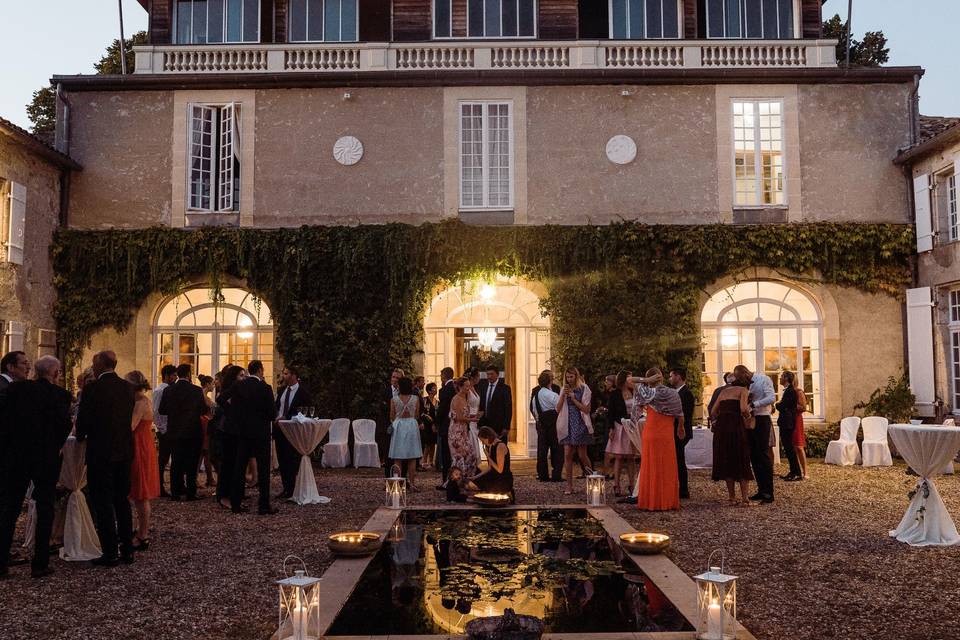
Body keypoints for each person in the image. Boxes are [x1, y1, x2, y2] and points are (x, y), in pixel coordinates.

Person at [0, 356, 72, 578]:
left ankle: (1, 563)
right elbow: (65, 426)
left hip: (18, 456)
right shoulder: (61, 396)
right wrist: (54, 447)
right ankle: (40, 563)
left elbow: (6, 421)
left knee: (10, 509)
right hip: (46, 458)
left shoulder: (16, 390)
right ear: (56, 373)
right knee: (45, 508)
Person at [76, 350, 136, 566]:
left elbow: (83, 420)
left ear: (101, 364)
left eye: (94, 363)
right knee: (122, 500)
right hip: (123, 450)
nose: (93, 367)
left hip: (101, 452)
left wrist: (81, 435)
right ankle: (127, 550)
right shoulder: (128, 388)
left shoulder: (93, 389)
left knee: (103, 502)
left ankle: (110, 551)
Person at [632, 369, 685, 511]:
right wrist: (681, 428)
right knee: (667, 467)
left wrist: (646, 380)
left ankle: (651, 501)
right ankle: (667, 501)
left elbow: (629, 380)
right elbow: (680, 414)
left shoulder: (647, 393)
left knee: (651, 466)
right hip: (666, 434)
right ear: (661, 378)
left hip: (651, 433)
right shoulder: (672, 393)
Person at [230, 360, 277, 515]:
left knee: (239, 468)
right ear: (260, 370)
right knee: (263, 470)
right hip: (261, 433)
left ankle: (235, 503)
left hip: (243, 433)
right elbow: (272, 414)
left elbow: (232, 407)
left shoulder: (238, 386)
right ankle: (263, 505)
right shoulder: (265, 388)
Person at [158, 364, 207, 501]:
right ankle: (191, 492)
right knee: (192, 463)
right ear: (189, 374)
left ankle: (175, 493)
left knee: (176, 462)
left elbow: (162, 410)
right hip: (192, 431)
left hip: (175, 430)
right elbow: (203, 410)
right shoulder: (196, 390)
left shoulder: (169, 390)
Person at [709, 368, 755, 505]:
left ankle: (731, 497)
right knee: (741, 459)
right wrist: (749, 417)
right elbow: (743, 408)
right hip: (736, 427)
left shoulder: (723, 392)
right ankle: (745, 498)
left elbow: (713, 411)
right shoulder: (743, 391)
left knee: (727, 459)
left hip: (722, 428)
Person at [125, 370, 159, 552]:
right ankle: (140, 530)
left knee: (141, 493)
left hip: (140, 447)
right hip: (140, 444)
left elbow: (130, 425)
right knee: (138, 492)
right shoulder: (139, 400)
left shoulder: (141, 402)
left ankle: (143, 534)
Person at [735, 365, 776, 504]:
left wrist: (754, 404)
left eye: (741, 378)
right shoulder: (745, 385)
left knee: (763, 455)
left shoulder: (763, 379)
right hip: (749, 420)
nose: (742, 381)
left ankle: (769, 493)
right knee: (753, 455)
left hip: (762, 418)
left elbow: (771, 398)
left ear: (746, 373)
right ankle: (761, 489)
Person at [274, 365, 312, 500]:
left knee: (291, 459)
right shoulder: (282, 390)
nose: (283, 376)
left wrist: (288, 418)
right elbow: (277, 407)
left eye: (286, 373)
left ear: (294, 375)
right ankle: (286, 488)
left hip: (294, 430)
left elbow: (305, 412)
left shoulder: (303, 392)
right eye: (283, 373)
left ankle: (294, 487)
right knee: (282, 459)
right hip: (280, 429)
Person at [556, 367, 593, 495]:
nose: (569, 379)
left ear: (576, 377)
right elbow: (558, 408)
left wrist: (573, 398)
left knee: (582, 455)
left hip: (580, 423)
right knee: (567, 454)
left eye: (571, 377)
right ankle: (569, 485)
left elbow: (586, 409)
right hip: (567, 424)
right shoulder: (564, 389)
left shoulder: (584, 389)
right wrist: (563, 396)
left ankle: (591, 482)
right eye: (567, 377)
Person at [215, 365, 245, 510]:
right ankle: (223, 496)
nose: (243, 378)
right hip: (228, 430)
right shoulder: (232, 388)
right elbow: (220, 400)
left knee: (235, 464)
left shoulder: (240, 388)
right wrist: (231, 411)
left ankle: (233, 494)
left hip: (237, 429)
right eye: (241, 375)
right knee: (228, 463)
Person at [605, 371, 637, 497]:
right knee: (618, 456)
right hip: (619, 426)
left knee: (631, 457)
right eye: (630, 377)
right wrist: (611, 428)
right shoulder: (615, 394)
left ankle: (632, 484)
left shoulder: (634, 392)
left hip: (631, 426)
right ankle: (616, 484)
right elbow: (610, 413)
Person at [389, 376, 423, 490]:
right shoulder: (416, 399)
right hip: (412, 426)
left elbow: (392, 416)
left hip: (399, 426)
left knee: (397, 457)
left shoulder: (394, 399)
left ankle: (397, 484)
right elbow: (417, 414)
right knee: (412, 457)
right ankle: (412, 484)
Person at [668, 368, 695, 500]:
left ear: (678, 376)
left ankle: (683, 489)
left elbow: (686, 414)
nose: (670, 379)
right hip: (674, 430)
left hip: (680, 431)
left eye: (671, 376)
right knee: (677, 459)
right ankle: (678, 487)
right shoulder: (675, 393)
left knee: (679, 459)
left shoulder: (686, 393)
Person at [468, 426, 514, 502]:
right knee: (475, 480)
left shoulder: (500, 446)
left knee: (487, 486)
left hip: (502, 478)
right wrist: (475, 477)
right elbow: (490, 467)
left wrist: (488, 457)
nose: (482, 443)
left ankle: (507, 493)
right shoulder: (491, 446)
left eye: (483, 440)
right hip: (494, 474)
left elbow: (500, 470)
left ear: (488, 437)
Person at [531, 370, 562, 482]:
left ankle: (543, 475)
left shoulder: (536, 396)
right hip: (554, 425)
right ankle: (556, 475)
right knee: (557, 450)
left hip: (542, 425)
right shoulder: (553, 395)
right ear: (550, 381)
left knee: (542, 451)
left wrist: (539, 421)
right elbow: (560, 408)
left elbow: (534, 411)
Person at [448, 376, 479, 480]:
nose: (468, 388)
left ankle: (466, 478)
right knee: (460, 456)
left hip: (464, 430)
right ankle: (456, 481)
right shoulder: (456, 399)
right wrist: (471, 420)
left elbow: (464, 415)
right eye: (466, 386)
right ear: (460, 387)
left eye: (469, 386)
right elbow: (458, 417)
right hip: (456, 432)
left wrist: (474, 416)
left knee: (471, 455)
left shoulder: (464, 398)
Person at [153, 364, 177, 498]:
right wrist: (163, 429)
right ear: (166, 376)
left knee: (167, 458)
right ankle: (159, 486)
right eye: (173, 375)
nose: (175, 378)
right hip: (164, 429)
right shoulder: (160, 390)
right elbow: (157, 411)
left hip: (169, 428)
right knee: (162, 460)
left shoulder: (169, 389)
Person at [777, 371, 805, 482]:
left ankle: (797, 473)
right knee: (788, 449)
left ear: (787, 378)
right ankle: (793, 471)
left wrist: (777, 404)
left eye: (782, 377)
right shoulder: (788, 391)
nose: (779, 379)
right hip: (787, 422)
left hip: (787, 423)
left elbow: (785, 406)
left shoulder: (790, 391)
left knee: (789, 449)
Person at [477, 366, 513, 443]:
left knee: (501, 449)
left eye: (492, 374)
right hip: (486, 425)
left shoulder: (505, 388)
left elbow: (508, 408)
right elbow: (481, 406)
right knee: (488, 450)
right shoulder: (483, 387)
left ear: (497, 374)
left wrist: (506, 427)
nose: (489, 376)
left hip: (499, 427)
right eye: (488, 374)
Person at [380, 368, 404, 475]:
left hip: (402, 426)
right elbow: (382, 409)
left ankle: (403, 479)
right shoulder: (385, 391)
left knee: (403, 454)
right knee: (388, 454)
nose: (394, 380)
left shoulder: (405, 393)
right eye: (393, 377)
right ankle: (388, 480)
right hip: (388, 426)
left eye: (397, 378)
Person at [435, 367, 456, 487]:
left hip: (445, 425)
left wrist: (436, 422)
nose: (440, 377)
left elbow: (442, 409)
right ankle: (453, 479)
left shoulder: (444, 390)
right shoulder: (455, 387)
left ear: (444, 376)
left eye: (441, 375)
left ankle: (446, 481)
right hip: (454, 424)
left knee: (446, 456)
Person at [197, 374, 216, 489]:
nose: (214, 386)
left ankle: (210, 478)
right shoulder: (204, 396)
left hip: (206, 423)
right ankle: (198, 479)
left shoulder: (203, 395)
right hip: (205, 424)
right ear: (208, 384)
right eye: (212, 383)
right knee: (203, 452)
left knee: (206, 452)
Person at [420, 382, 438, 470]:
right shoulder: (424, 400)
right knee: (427, 443)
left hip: (434, 425)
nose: (436, 389)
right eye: (434, 388)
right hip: (426, 424)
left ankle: (431, 461)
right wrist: (424, 422)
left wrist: (435, 424)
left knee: (433, 444)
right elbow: (422, 412)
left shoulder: (437, 401)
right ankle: (424, 461)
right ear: (429, 390)